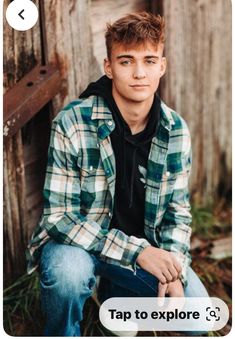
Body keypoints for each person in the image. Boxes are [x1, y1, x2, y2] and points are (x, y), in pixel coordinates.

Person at [26, 11, 209, 336]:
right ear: (108, 66)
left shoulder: (175, 130)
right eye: (126, 61)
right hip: (79, 249)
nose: (139, 73)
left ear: (162, 66)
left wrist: (175, 271)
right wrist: (138, 252)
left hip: (143, 253)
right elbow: (59, 219)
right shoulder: (73, 123)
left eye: (149, 61)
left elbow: (177, 215)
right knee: (68, 273)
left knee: (196, 316)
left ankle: (114, 295)